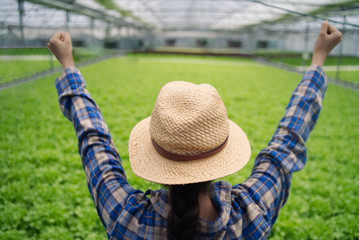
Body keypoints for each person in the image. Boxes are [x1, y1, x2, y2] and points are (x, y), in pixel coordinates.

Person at [48, 20, 342, 239]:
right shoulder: (251, 215)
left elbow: (95, 145)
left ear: (157, 155)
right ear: (220, 157)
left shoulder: (127, 218)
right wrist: (318, 60)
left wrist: (68, 64)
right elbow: (287, 142)